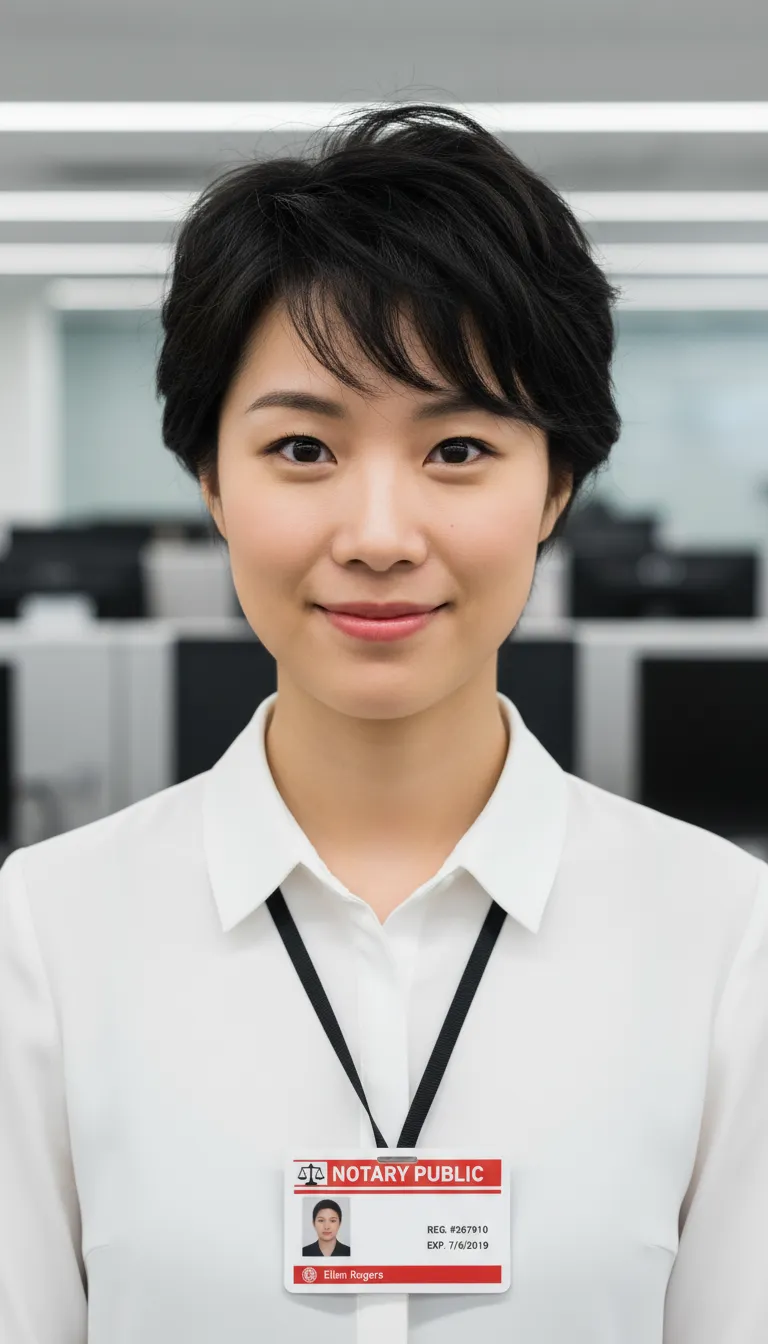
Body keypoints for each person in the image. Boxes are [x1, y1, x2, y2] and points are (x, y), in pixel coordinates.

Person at [0, 100, 766, 1344]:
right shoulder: (46, 933)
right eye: (302, 447)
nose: (376, 535)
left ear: (556, 484)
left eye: (458, 447)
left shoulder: (726, 939)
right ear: (210, 483)